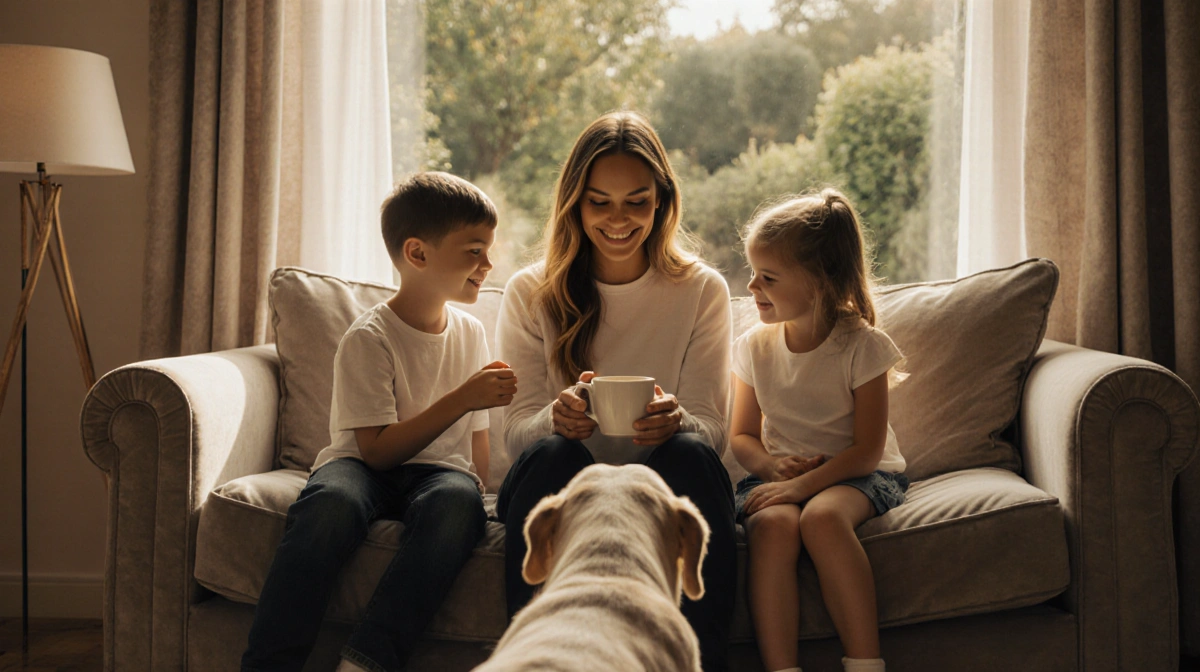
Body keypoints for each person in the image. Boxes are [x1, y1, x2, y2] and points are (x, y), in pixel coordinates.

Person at [241, 172, 518, 672]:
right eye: (474, 251)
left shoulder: (472, 333)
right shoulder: (368, 337)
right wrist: (461, 397)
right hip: (360, 464)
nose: (488, 264)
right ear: (418, 254)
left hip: (437, 472)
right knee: (331, 504)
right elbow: (377, 452)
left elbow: (477, 438)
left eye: (488, 250)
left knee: (459, 505)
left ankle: (366, 661)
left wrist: (478, 487)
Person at [494, 110, 736, 672]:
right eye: (599, 201)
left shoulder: (701, 290)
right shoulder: (532, 292)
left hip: (662, 483)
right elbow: (514, 438)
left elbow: (714, 432)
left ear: (663, 200)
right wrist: (553, 420)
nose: (618, 219)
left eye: (637, 200)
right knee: (551, 453)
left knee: (693, 454)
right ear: (575, 203)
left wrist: (680, 421)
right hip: (561, 480)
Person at [730, 188, 909, 672]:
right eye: (752, 273)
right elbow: (742, 435)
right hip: (779, 476)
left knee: (821, 519)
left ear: (821, 282)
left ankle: (866, 664)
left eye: (768, 277)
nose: (751, 287)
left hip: (858, 475)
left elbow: (868, 451)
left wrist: (800, 486)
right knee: (770, 526)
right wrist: (770, 468)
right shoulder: (753, 347)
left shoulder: (862, 346)